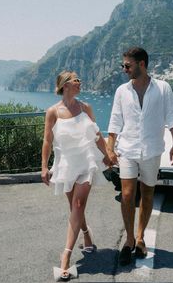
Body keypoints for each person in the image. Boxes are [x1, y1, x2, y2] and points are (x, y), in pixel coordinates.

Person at [107, 47, 173, 266]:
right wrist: (110, 147)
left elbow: (172, 116)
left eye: (127, 65)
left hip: (152, 149)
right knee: (128, 194)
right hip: (128, 149)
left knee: (148, 193)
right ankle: (129, 241)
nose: (124, 69)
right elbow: (115, 120)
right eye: (123, 65)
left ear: (141, 64)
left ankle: (140, 238)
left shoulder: (163, 88)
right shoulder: (122, 91)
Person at [41, 70, 111, 281]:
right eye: (76, 80)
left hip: (86, 163)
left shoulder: (85, 108)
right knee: (74, 207)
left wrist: (108, 154)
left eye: (80, 79)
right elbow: (47, 141)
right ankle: (87, 236)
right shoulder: (53, 112)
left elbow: (97, 135)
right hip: (65, 165)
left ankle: (66, 257)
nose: (80, 82)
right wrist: (44, 166)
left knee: (78, 205)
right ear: (65, 85)